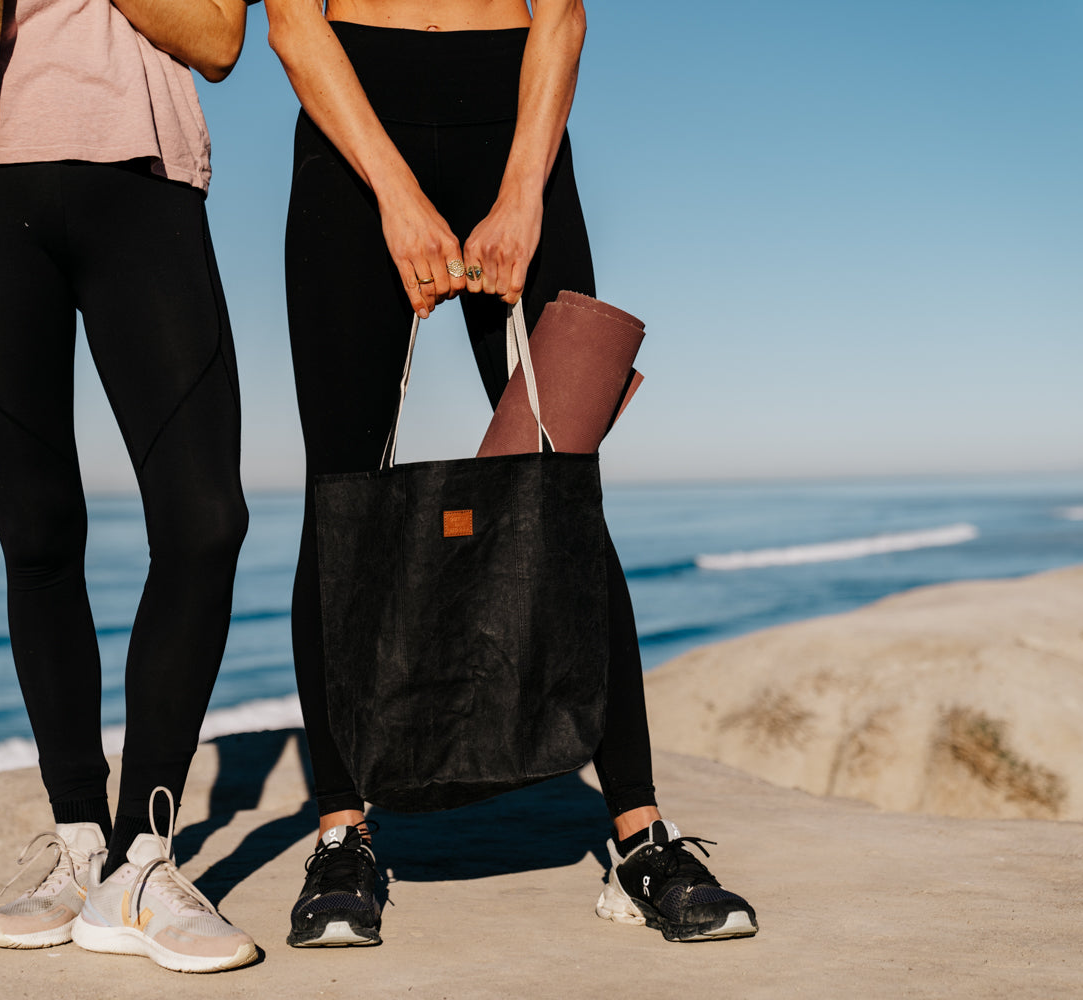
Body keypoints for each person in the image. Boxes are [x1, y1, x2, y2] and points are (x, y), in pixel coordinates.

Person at [266, 0, 760, 946]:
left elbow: (562, 13)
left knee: (563, 488)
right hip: (352, 125)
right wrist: (396, 194)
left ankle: (640, 837)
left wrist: (523, 190)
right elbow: (291, 19)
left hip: (517, 117)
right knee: (342, 496)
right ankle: (342, 833)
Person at [0, 0, 261, 974]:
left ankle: (142, 860)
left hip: (145, 182)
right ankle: (81, 837)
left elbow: (219, 39)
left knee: (207, 519)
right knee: (39, 530)